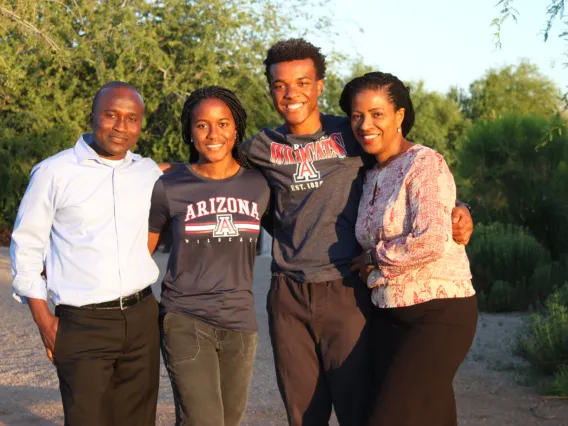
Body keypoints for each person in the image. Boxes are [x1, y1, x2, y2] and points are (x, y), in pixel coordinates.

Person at [239, 38, 474, 426]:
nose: (290, 93)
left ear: (319, 86)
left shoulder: (352, 135)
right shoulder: (261, 147)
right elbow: (216, 170)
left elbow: (417, 172)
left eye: (302, 82)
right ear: (270, 90)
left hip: (347, 290)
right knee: (304, 415)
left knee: (364, 412)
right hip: (290, 293)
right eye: (279, 85)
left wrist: (462, 208)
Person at [10, 82, 162, 426]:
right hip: (83, 324)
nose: (121, 127)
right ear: (93, 116)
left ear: (140, 125)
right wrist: (43, 320)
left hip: (142, 318)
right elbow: (27, 246)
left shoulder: (147, 171)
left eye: (132, 118)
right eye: (111, 115)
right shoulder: (54, 172)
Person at [343, 72, 477, 426]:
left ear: (399, 116)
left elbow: (431, 239)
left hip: (438, 315)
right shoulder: (370, 173)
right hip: (388, 315)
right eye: (357, 116)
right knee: (432, 416)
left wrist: (375, 257)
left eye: (376, 114)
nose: (365, 124)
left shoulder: (424, 163)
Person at [148, 87, 270, 426]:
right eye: (202, 125)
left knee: (228, 421)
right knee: (203, 421)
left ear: (236, 129)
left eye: (223, 123)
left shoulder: (259, 185)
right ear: (189, 131)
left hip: (240, 323)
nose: (213, 134)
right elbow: (141, 251)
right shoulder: (168, 187)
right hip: (185, 318)